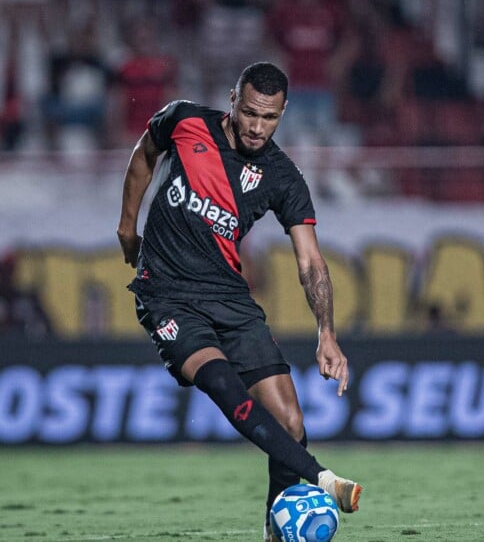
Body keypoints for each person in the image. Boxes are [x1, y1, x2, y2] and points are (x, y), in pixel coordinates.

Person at [116, 62, 362, 542]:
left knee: (290, 422)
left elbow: (310, 261)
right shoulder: (184, 121)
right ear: (232, 99)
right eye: (249, 113)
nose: (256, 126)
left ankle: (274, 533)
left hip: (229, 297)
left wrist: (326, 332)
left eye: (269, 118)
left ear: (283, 113)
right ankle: (324, 479)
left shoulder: (282, 176)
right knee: (225, 387)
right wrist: (128, 226)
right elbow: (144, 155)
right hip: (167, 295)